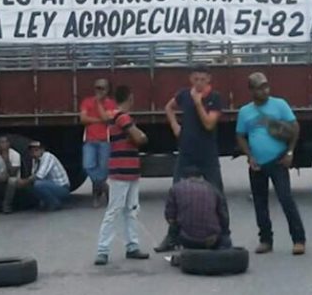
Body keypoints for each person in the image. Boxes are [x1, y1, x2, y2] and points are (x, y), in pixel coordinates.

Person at [236, 72, 306, 255]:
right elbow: (240, 135)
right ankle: (265, 240)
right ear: (251, 90)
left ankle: (299, 239)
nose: (265, 90)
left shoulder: (279, 105)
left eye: (266, 86)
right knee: (260, 203)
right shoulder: (245, 112)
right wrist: (250, 156)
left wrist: (290, 151)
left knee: (285, 198)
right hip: (257, 164)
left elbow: (294, 127)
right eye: (260, 88)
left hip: (278, 160)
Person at [95, 85, 150, 265]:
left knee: (124, 209)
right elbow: (140, 138)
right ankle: (109, 248)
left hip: (123, 169)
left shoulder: (113, 117)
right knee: (124, 210)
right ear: (130, 98)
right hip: (125, 169)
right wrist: (139, 135)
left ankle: (121, 247)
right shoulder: (123, 117)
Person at [165, 65, 225, 193]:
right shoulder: (184, 94)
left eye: (202, 79)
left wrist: (198, 103)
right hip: (186, 151)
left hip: (207, 153)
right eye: (196, 79)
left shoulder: (215, 97)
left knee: (216, 192)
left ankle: (221, 213)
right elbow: (169, 107)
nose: (199, 82)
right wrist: (175, 125)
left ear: (209, 79)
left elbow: (209, 124)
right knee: (177, 190)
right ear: (191, 79)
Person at [156, 165, 232, 252]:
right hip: (211, 240)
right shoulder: (213, 189)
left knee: (175, 223)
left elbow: (170, 217)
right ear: (201, 177)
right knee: (224, 236)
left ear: (183, 178)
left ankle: (169, 243)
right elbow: (224, 218)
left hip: (187, 240)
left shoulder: (176, 188)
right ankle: (225, 247)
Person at [78, 78, 116, 208]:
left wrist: (99, 104)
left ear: (107, 89)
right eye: (97, 88)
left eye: (102, 88)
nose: (99, 91)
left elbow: (107, 119)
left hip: (105, 140)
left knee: (103, 169)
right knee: (87, 166)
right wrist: (99, 119)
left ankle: (96, 195)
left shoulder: (111, 103)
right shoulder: (87, 101)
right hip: (89, 140)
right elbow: (83, 119)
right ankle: (104, 186)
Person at [18, 141, 71, 211]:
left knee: (38, 184)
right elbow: (33, 175)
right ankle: (44, 202)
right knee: (30, 186)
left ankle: (55, 203)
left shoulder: (48, 156)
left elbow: (39, 176)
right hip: (50, 185)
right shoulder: (35, 161)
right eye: (32, 151)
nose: (34, 153)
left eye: (36, 150)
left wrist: (24, 181)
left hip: (62, 188)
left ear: (42, 150)